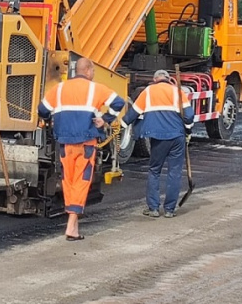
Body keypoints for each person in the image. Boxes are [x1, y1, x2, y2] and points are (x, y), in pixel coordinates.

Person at [38, 58, 125, 241]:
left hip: (64, 144)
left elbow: (42, 109)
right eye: (92, 71)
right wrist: (106, 119)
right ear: (88, 71)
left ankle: (73, 224)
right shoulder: (96, 89)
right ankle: (72, 223)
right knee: (82, 181)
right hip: (86, 143)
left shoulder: (59, 89)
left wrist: (51, 119)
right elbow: (119, 103)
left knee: (68, 181)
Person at [122, 70, 194, 218]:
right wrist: (188, 131)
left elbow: (134, 112)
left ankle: (153, 208)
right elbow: (189, 115)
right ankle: (169, 210)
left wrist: (122, 124)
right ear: (168, 79)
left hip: (159, 139)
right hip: (177, 137)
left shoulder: (149, 92)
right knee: (174, 172)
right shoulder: (177, 92)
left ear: (155, 79)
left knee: (155, 170)